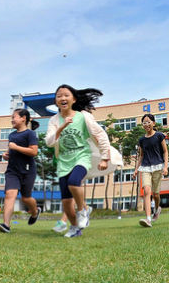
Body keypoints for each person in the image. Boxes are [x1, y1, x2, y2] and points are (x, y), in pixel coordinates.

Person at [46, 84, 113, 238]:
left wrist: (105, 157)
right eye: (59, 96)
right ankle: (75, 228)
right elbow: (49, 142)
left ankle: (83, 210)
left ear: (74, 99)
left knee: (74, 181)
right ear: (56, 101)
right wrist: (62, 126)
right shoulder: (54, 120)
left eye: (66, 95)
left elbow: (100, 135)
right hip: (64, 161)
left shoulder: (83, 116)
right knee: (67, 204)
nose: (62, 98)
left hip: (81, 156)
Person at [0, 109, 41, 233]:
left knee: (26, 198)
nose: (12, 119)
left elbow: (34, 151)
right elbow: (11, 150)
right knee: (10, 194)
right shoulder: (12, 135)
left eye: (14, 117)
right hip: (12, 171)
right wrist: (6, 154)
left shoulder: (30, 134)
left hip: (27, 170)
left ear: (23, 118)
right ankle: (6, 225)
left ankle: (35, 212)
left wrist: (16, 147)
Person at [133, 114, 168, 227]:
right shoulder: (142, 140)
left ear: (153, 123)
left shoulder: (159, 136)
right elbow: (141, 156)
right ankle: (148, 219)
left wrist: (166, 166)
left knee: (156, 194)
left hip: (158, 166)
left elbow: (165, 152)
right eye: (144, 122)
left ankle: (157, 209)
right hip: (146, 167)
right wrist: (136, 169)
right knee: (147, 191)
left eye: (148, 122)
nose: (146, 124)